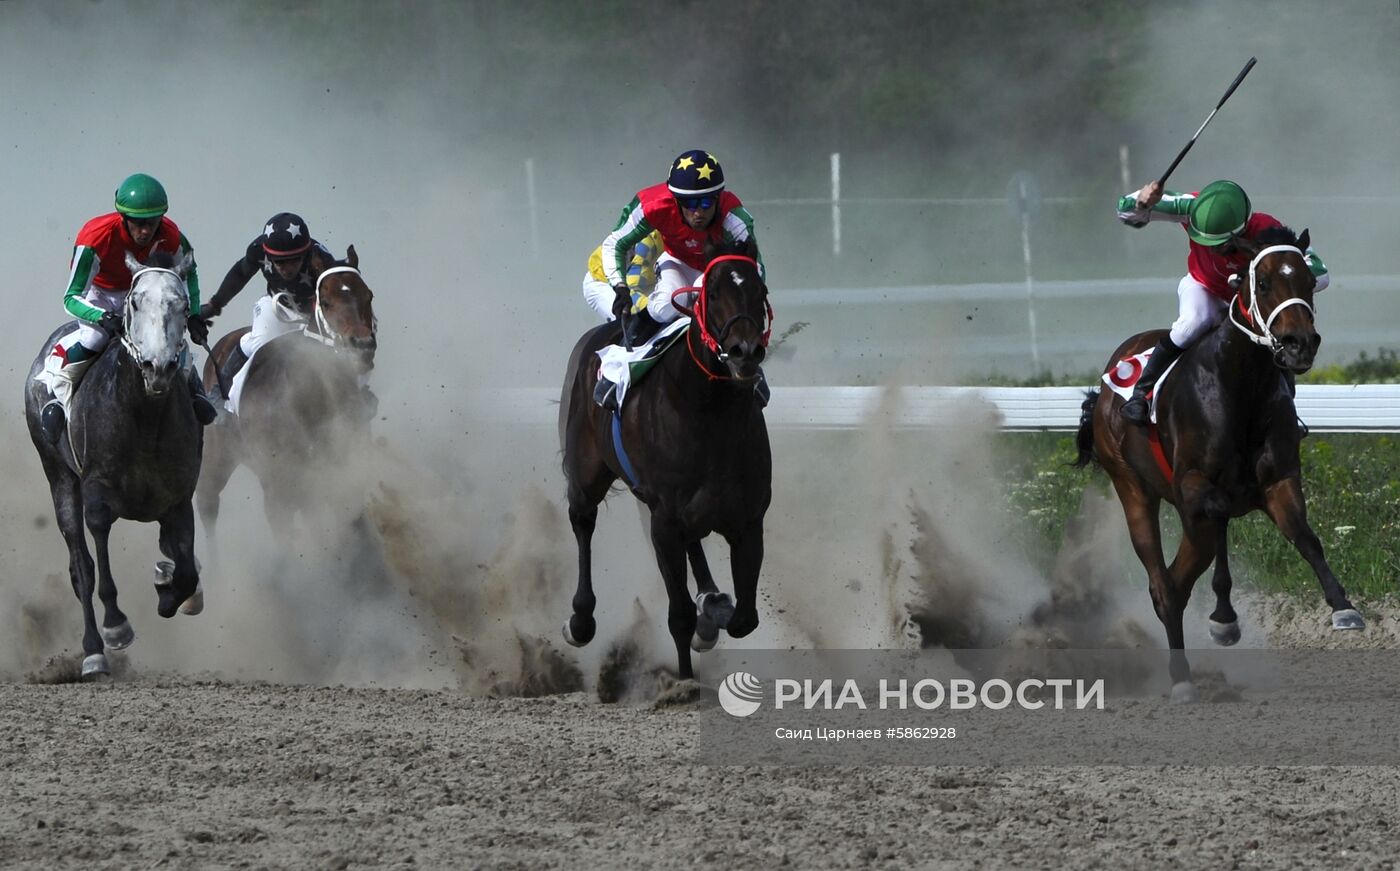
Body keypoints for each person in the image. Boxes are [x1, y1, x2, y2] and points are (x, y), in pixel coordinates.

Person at [1115, 179, 1329, 424]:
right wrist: (1142, 201)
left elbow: (1321, 274)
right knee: (1191, 325)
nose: (1214, 251)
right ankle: (1141, 394)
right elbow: (1125, 209)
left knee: (1274, 341)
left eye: (1223, 246)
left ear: (1242, 230)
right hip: (1203, 287)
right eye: (1207, 243)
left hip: (1246, 301)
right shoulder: (1192, 206)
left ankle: (1286, 412)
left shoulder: (1268, 230)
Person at [38, 173, 216, 445]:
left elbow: (190, 270)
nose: (145, 231)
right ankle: (58, 389)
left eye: (152, 223)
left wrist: (192, 314)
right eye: (137, 223)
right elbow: (71, 297)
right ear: (123, 217)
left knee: (164, 339)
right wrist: (101, 316)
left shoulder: (172, 234)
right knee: (94, 338)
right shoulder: (95, 237)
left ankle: (194, 391)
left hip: (143, 293)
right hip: (98, 292)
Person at [593, 149, 769, 405]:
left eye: (707, 203)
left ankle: (748, 366)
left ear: (719, 199)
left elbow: (755, 268)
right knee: (663, 308)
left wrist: (749, 300)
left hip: (716, 274)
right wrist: (620, 287)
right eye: (690, 205)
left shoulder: (734, 218)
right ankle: (620, 367)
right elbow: (614, 244)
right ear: (675, 200)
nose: (699, 213)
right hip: (676, 261)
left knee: (703, 301)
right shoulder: (652, 205)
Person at [197, 212, 337, 399]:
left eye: (294, 260)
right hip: (277, 307)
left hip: (316, 314)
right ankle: (219, 394)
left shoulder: (323, 259)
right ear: (269, 255)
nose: (285, 268)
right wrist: (215, 304)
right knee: (258, 342)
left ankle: (360, 393)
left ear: (305, 253)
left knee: (340, 349)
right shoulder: (257, 249)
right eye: (278, 262)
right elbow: (240, 274)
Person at [582, 228, 664, 322]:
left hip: (639, 282)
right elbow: (631, 293)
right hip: (602, 283)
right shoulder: (645, 246)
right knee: (631, 320)